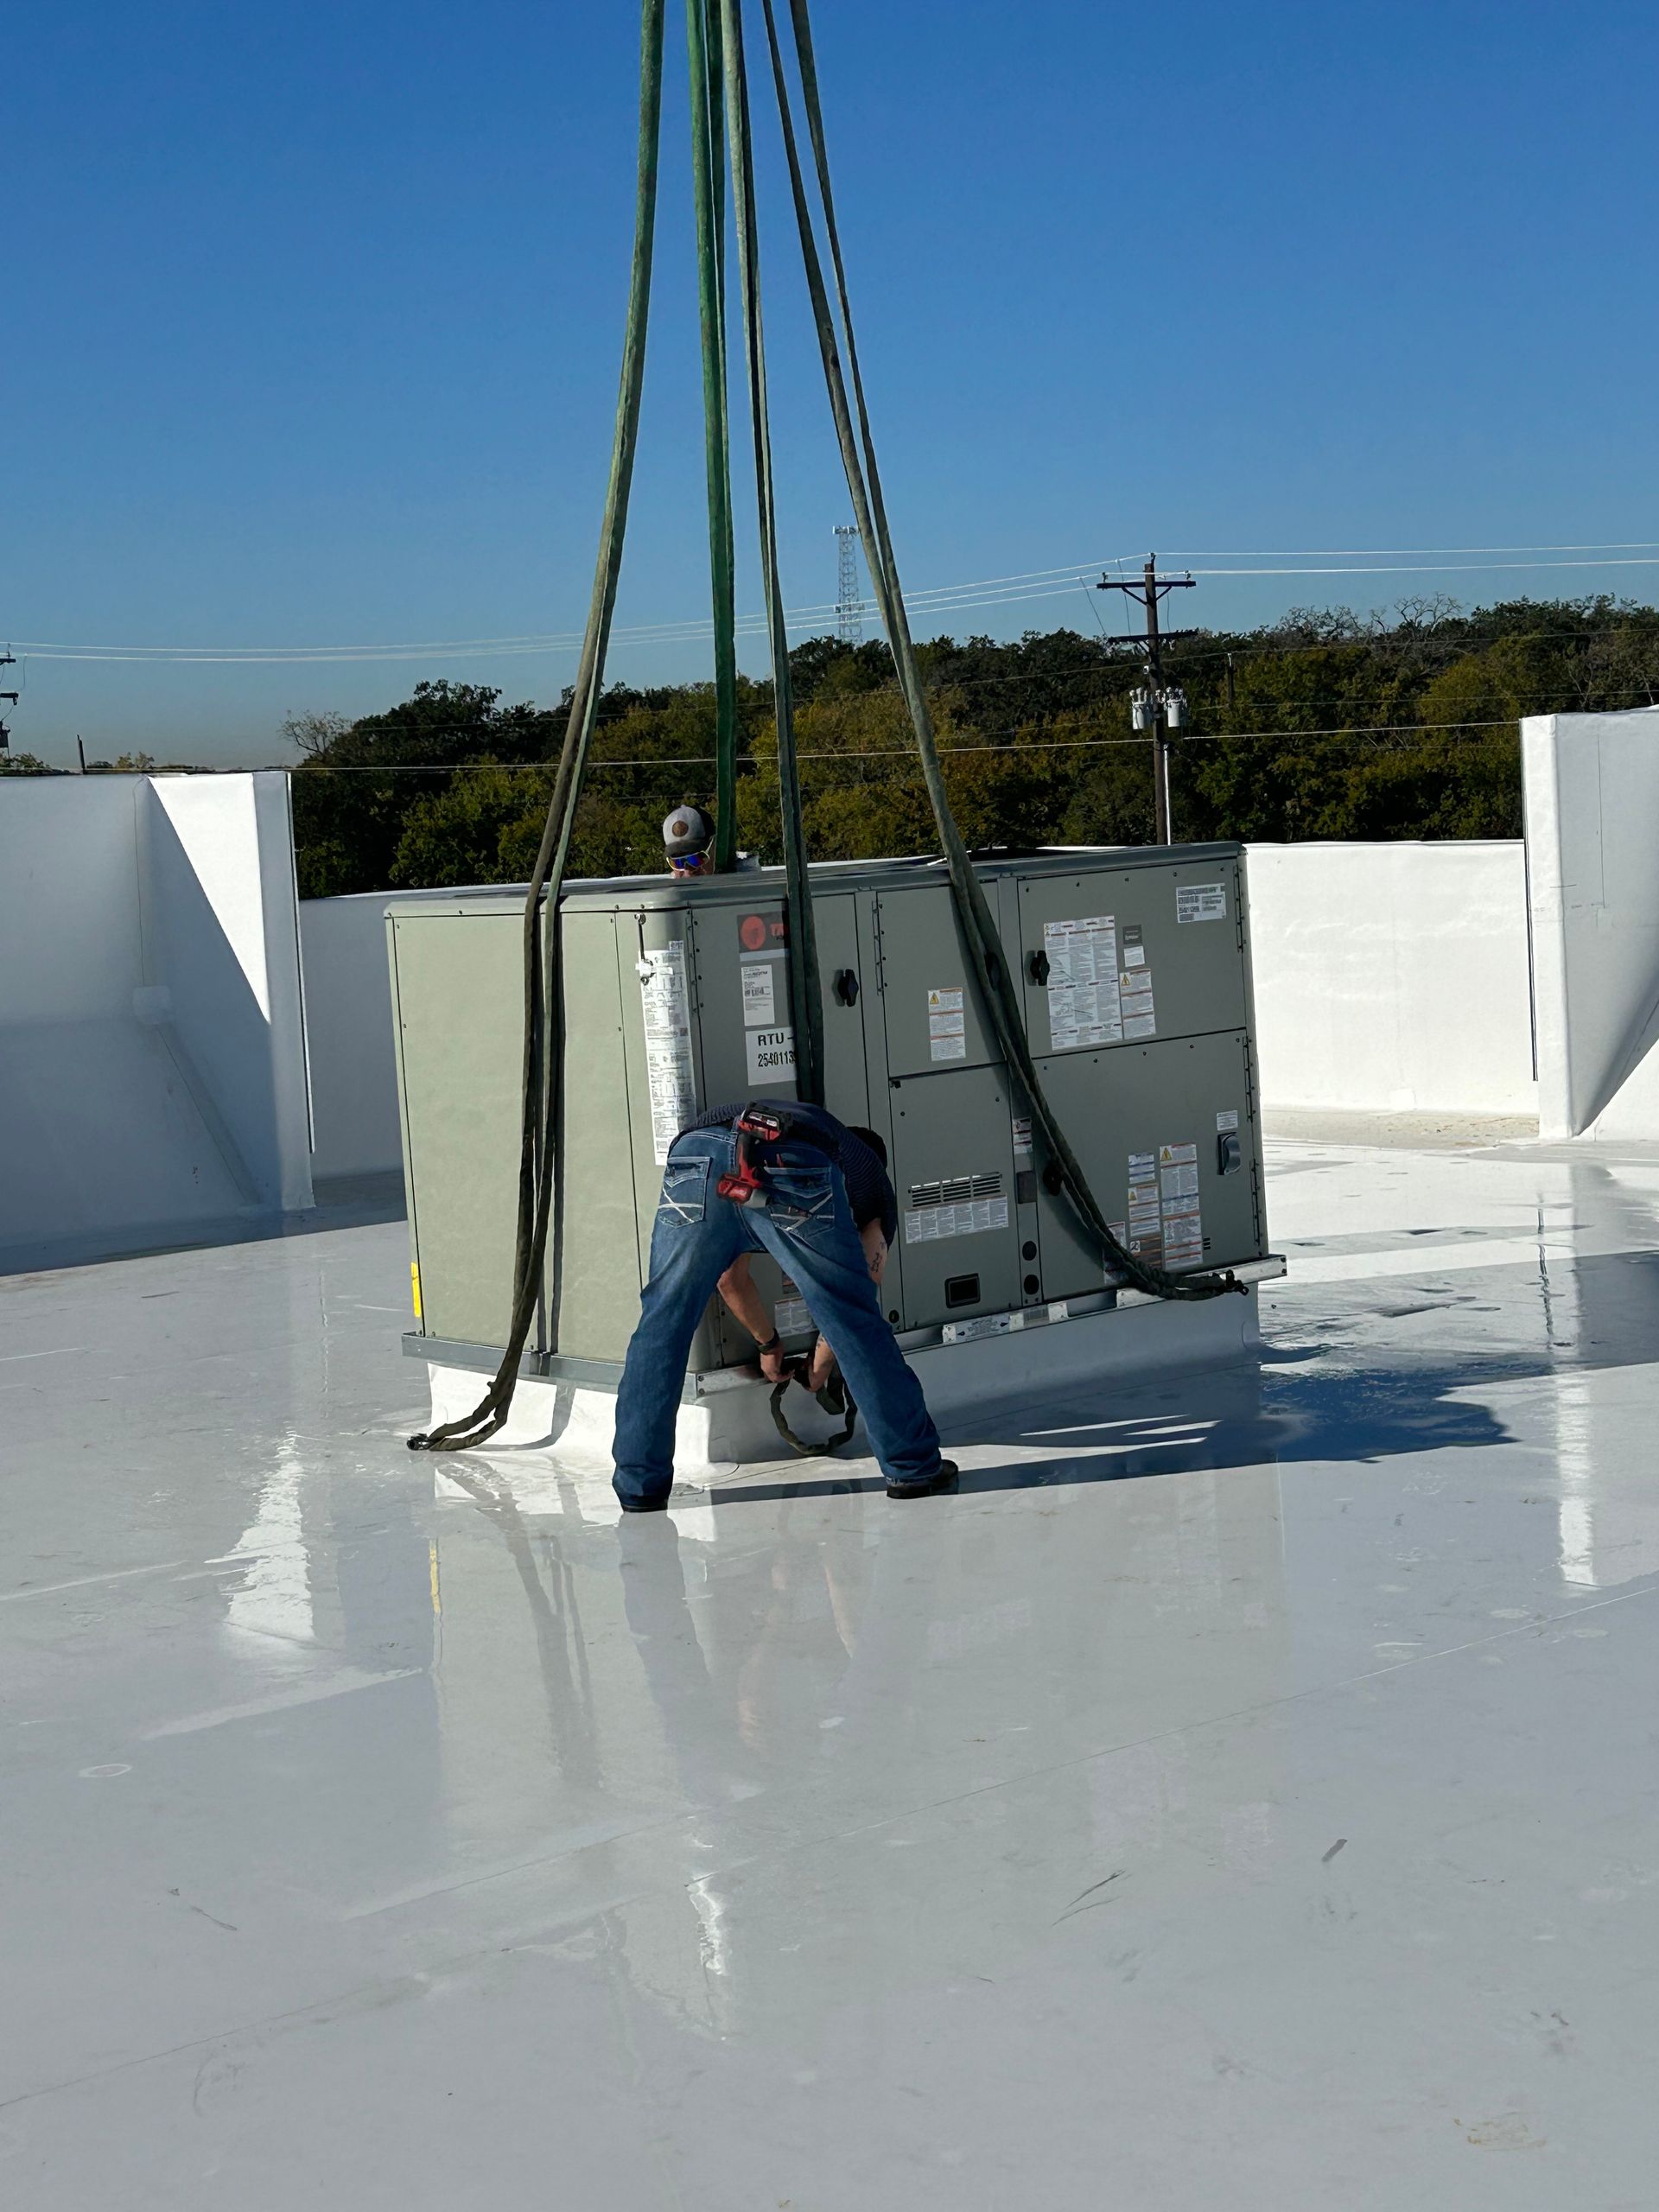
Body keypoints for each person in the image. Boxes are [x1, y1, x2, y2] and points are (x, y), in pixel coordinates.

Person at [612, 1101, 957, 1510]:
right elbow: (853, 1304)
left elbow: (729, 1277)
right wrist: (821, 1363)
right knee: (856, 1320)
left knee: (663, 1322)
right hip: (792, 1158)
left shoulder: (834, 1139)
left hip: (696, 1155)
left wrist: (767, 1343)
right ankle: (912, 1465)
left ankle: (639, 1485)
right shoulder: (874, 1188)